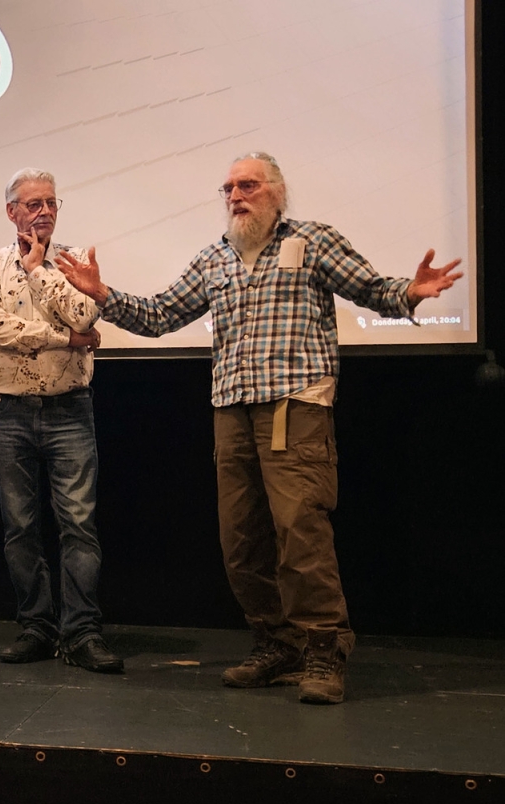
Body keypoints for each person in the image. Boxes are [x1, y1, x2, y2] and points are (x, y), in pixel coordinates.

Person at [56, 152, 462, 703]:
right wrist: (102, 294)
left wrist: (410, 292)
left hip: (295, 404)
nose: (235, 196)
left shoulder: (311, 240)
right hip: (233, 409)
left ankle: (323, 650)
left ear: (276, 191)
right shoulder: (216, 258)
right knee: (239, 540)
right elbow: (159, 316)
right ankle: (278, 644)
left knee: (300, 530)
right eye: (227, 188)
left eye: (247, 185)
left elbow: (371, 289)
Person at [0, 168, 122, 674]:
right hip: (7, 409)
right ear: (11, 211)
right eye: (32, 204)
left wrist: (39, 272)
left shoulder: (76, 263)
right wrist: (65, 340)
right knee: (20, 527)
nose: (43, 212)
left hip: (69, 409)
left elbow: (84, 315)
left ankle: (81, 632)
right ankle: (36, 625)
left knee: (79, 524)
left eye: (51, 203)